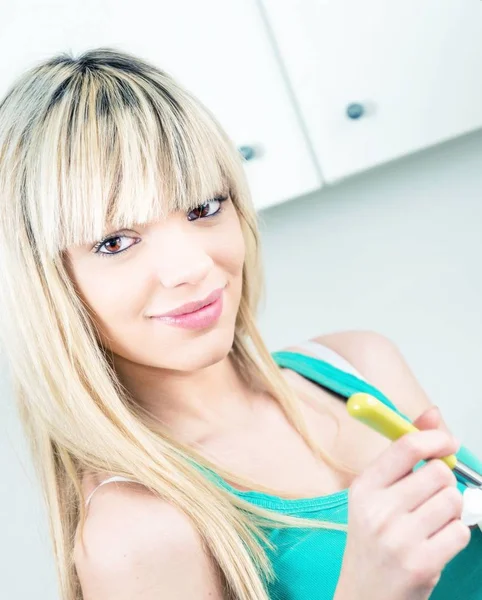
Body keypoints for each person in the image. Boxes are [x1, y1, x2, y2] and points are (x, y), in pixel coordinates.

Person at [0, 47, 480, 600]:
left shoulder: (358, 365)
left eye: (204, 209)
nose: (193, 267)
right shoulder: (136, 534)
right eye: (115, 242)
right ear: (47, 285)